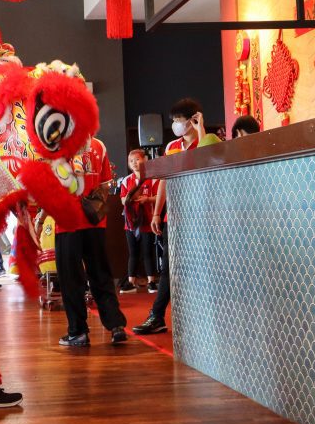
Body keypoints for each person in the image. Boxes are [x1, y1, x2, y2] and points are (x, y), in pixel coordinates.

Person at [134, 98, 220, 336]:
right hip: (176, 217)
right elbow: (163, 179)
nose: (175, 125)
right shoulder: (172, 146)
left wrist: (202, 129)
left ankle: (206, 317)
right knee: (170, 268)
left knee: (203, 267)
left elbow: (208, 161)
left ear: (193, 120)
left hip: (202, 217)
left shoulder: (209, 141)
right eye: (173, 121)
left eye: (179, 121)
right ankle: (157, 316)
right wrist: (158, 211)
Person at [55, 137, 128, 347]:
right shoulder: (99, 145)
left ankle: (78, 331)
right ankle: (116, 326)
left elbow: (53, 184)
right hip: (95, 222)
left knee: (71, 279)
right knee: (101, 274)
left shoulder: (58, 144)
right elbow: (106, 184)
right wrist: (94, 208)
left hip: (67, 222)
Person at [118, 149, 158, 294]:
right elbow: (122, 199)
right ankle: (131, 283)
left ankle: (151, 282)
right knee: (133, 252)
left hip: (147, 220)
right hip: (130, 222)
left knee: (147, 252)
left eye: (137, 159)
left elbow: (159, 196)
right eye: (131, 161)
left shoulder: (152, 178)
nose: (134, 163)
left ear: (144, 160)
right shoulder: (126, 180)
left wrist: (147, 199)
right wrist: (130, 199)